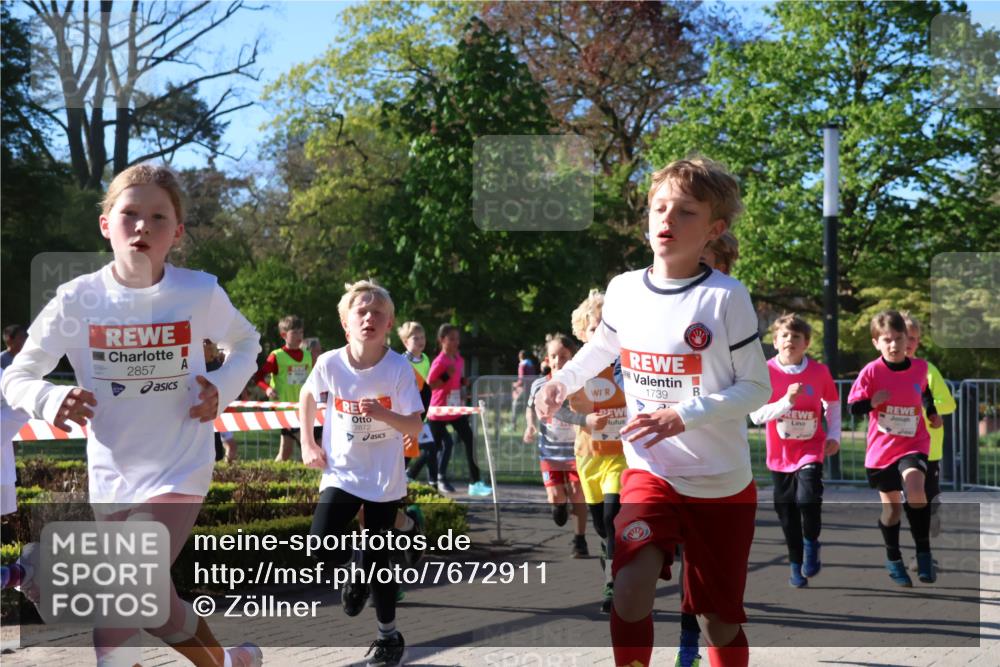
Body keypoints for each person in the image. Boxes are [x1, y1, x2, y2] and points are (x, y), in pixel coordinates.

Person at [0, 162, 263, 667]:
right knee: (155, 604)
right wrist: (50, 400)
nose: (143, 226)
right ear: (106, 224)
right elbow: (17, 375)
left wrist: (223, 388)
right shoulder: (77, 299)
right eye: (130, 214)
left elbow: (246, 342)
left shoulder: (198, 292)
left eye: (159, 217)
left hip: (179, 468)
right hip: (113, 476)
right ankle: (229, 663)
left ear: (177, 232)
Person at [534, 156, 770, 667]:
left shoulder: (726, 297)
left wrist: (683, 415)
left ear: (714, 229)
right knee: (628, 588)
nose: (667, 219)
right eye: (659, 207)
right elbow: (601, 349)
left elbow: (757, 388)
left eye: (686, 212)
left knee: (716, 620)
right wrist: (560, 382)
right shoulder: (623, 289)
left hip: (720, 483)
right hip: (650, 471)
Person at [299, 279, 425, 667]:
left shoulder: (398, 368)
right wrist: (307, 442)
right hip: (342, 471)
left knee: (378, 561)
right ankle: (355, 564)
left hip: (383, 478)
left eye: (378, 313)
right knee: (319, 546)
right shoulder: (329, 363)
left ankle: (389, 638)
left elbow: (415, 425)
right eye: (361, 312)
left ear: (389, 324)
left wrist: (384, 413)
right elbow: (307, 395)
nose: (369, 318)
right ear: (346, 322)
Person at [848, 309, 941, 587]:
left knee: (916, 490)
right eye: (887, 340)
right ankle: (893, 558)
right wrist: (872, 402)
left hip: (913, 444)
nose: (894, 345)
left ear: (906, 338)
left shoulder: (920, 367)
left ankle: (923, 553)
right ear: (876, 342)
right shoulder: (871, 371)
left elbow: (924, 392)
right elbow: (853, 407)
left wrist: (931, 412)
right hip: (882, 451)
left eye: (899, 338)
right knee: (892, 512)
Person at [749, 314, 840, 587]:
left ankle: (811, 543)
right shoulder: (765, 371)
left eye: (796, 336)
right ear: (775, 341)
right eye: (785, 336)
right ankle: (795, 564)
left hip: (811, 448)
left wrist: (834, 435)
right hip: (780, 455)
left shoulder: (819, 372)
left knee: (807, 499)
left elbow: (832, 404)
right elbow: (756, 415)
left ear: (806, 343)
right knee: (787, 513)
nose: (790, 340)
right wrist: (787, 402)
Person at [568, 290, 628, 610]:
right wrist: (584, 419)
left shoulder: (627, 364)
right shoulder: (577, 369)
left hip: (620, 454)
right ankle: (611, 566)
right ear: (582, 333)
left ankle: (612, 585)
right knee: (602, 527)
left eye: (608, 326)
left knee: (612, 516)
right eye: (595, 328)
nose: (602, 334)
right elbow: (557, 411)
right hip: (589, 456)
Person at [525, 334, 590, 558]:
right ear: (547, 358)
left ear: (572, 358)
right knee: (555, 496)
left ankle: (579, 540)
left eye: (563, 356)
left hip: (576, 450)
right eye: (553, 356)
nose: (558, 361)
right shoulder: (539, 384)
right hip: (550, 452)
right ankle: (559, 505)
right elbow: (530, 407)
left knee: (578, 495)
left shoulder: (580, 384)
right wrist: (530, 426)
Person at [901, 312, 955, 541]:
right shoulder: (881, 371)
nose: (907, 343)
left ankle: (932, 514)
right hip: (898, 447)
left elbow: (949, 404)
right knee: (910, 496)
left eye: (913, 338)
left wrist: (925, 410)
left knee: (928, 493)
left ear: (918, 342)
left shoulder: (928, 370)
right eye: (903, 337)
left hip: (929, 447)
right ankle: (919, 540)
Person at [425, 324, 491, 496]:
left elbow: (455, 380)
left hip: (454, 409)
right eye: (452, 339)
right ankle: (414, 475)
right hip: (439, 410)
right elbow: (430, 385)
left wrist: (462, 382)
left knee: (470, 441)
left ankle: (475, 482)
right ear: (442, 340)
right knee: (432, 448)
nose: (456, 342)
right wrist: (446, 375)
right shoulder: (440, 361)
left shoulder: (459, 359)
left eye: (457, 339)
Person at [255, 314, 312, 461]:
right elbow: (258, 377)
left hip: (302, 407)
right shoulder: (277, 356)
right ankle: (314, 472)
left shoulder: (307, 355)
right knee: (308, 444)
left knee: (286, 451)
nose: (299, 336)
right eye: (295, 333)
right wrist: (267, 389)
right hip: (283, 408)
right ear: (284, 335)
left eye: (301, 332)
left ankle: (273, 473)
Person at [511, 349, 539, 428]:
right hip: (531, 389)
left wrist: (515, 385)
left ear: (520, 357)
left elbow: (521, 379)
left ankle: (513, 424)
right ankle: (532, 425)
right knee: (530, 406)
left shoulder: (522, 365)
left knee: (515, 404)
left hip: (524, 389)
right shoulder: (531, 365)